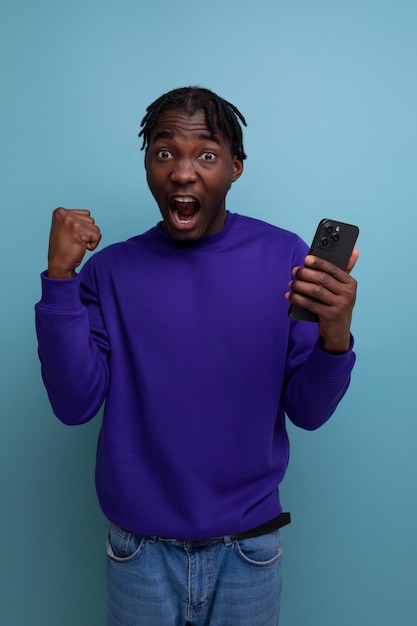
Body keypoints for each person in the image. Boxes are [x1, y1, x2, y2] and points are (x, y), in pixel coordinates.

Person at [35, 86, 358, 626]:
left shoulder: (286, 257)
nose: (183, 173)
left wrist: (335, 337)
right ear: (147, 165)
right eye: (165, 153)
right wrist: (61, 280)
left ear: (236, 167)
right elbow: (74, 403)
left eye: (206, 155)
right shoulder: (110, 272)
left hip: (249, 551)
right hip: (139, 551)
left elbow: (310, 411)